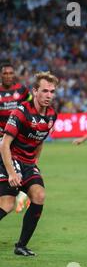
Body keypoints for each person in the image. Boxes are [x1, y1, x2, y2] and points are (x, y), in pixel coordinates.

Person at [0, 71, 58, 256]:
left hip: (27, 163)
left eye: (52, 91)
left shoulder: (51, 116)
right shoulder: (21, 112)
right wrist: (11, 173)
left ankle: (21, 246)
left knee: (39, 196)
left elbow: (39, 141)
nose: (49, 95)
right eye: (45, 91)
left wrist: (34, 163)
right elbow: (4, 144)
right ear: (35, 91)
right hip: (9, 158)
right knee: (7, 205)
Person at [0, 62, 33, 213]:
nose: (7, 76)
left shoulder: (22, 90)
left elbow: (31, 106)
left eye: (10, 73)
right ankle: (20, 193)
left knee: (17, 164)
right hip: (2, 136)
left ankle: (19, 193)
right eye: (5, 73)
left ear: (14, 75)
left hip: (18, 138)